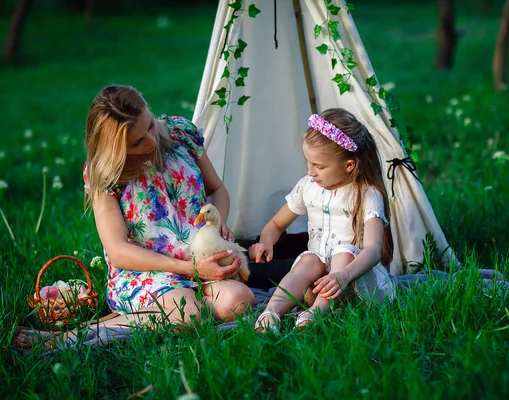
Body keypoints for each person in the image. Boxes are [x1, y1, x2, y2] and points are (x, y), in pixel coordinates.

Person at [15, 85, 255, 350]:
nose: (151, 142)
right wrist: (190, 270)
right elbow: (117, 251)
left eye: (150, 126)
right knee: (189, 315)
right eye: (137, 142)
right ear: (115, 147)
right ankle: (72, 336)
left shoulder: (180, 133)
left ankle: (171, 312)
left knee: (239, 302)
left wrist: (217, 225)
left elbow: (217, 190)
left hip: (201, 256)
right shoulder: (106, 174)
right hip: (148, 270)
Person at [250, 108, 396, 332]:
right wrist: (267, 241)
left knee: (343, 252)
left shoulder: (366, 194)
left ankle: (316, 314)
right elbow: (277, 224)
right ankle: (271, 312)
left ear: (349, 165)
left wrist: (342, 275)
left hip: (355, 282)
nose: (311, 172)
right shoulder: (308, 187)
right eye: (308, 163)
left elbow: (373, 250)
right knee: (310, 259)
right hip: (318, 284)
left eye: (319, 166)